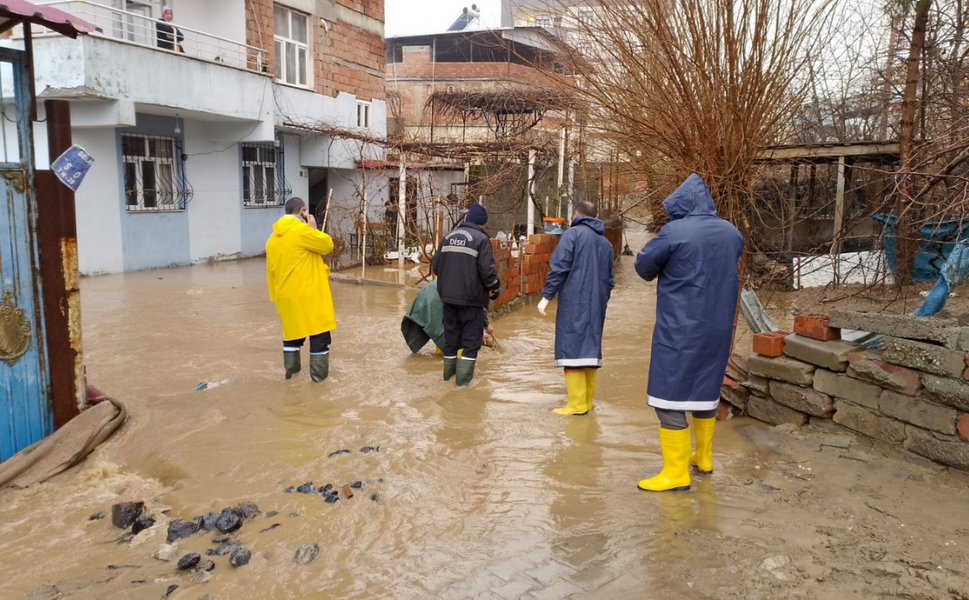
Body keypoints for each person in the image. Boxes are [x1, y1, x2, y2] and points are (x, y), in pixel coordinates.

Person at [634, 174, 744, 492]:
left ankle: (675, 473)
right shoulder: (732, 233)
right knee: (705, 389)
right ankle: (703, 458)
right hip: (718, 327)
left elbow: (643, 267)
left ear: (680, 205)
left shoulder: (674, 231)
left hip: (681, 327)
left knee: (667, 396)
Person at [537, 201, 615, 416]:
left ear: (576, 214)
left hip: (574, 301)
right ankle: (586, 403)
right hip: (597, 305)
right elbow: (610, 281)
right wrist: (600, 300)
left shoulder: (572, 235)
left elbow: (559, 267)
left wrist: (546, 295)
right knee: (590, 351)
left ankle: (576, 405)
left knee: (571, 350)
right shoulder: (606, 244)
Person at [266, 197, 336, 383]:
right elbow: (327, 245)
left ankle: (291, 379)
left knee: (292, 338)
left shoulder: (272, 239)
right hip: (309, 295)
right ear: (303, 211)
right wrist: (313, 228)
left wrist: (276, 298)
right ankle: (319, 384)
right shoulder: (302, 231)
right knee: (319, 337)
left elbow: (271, 272)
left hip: (285, 297)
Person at [431, 203, 500, 386]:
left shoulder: (448, 237)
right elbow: (487, 272)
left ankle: (448, 382)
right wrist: (495, 286)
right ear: (481, 223)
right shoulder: (481, 239)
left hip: (448, 299)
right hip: (471, 301)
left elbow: (436, 266)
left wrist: (451, 282)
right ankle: (462, 388)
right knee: (471, 343)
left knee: (451, 342)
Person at [400, 279, 493, 355]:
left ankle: (440, 357)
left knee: (442, 331)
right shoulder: (477, 289)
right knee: (456, 340)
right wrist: (482, 329)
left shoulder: (468, 279)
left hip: (426, 293)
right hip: (438, 300)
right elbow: (476, 311)